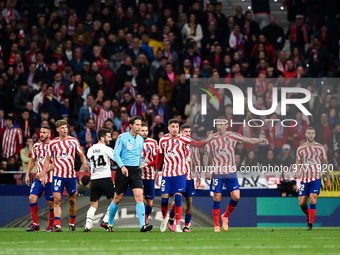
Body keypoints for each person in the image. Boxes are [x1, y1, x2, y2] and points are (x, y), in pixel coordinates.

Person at [203, 117, 269, 232]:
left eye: (221, 124)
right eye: (217, 124)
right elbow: (206, 154)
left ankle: (225, 216)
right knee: (217, 197)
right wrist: (206, 170)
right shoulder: (212, 138)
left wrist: (260, 140)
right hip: (217, 172)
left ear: (226, 125)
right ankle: (216, 225)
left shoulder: (232, 136)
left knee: (236, 197)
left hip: (231, 172)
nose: (219, 126)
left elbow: (248, 140)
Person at [156, 119, 213, 233]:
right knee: (165, 200)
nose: (175, 129)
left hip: (183, 175)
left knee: (183, 200)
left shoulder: (187, 141)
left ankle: (181, 226)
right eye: (173, 126)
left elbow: (197, 152)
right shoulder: (163, 140)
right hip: (167, 174)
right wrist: (157, 171)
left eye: (177, 126)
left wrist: (198, 175)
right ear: (169, 128)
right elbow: (160, 156)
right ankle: (167, 218)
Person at [41, 120, 89, 232]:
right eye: (62, 128)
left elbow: (81, 154)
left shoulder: (73, 140)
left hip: (71, 175)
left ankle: (72, 223)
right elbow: (47, 159)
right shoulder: (53, 143)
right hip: (57, 175)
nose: (64, 129)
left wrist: (85, 164)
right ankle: (58, 225)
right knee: (57, 200)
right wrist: (44, 175)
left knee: (72, 200)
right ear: (57, 129)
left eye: (65, 127)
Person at [108, 116, 153, 232]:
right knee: (117, 198)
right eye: (137, 125)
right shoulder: (122, 137)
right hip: (123, 170)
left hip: (135, 171)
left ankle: (143, 225)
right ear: (131, 126)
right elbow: (116, 154)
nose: (139, 127)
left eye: (140, 125)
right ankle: (109, 224)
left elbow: (139, 156)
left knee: (139, 198)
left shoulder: (140, 139)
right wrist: (122, 166)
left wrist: (138, 168)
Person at [295, 127, 331, 230]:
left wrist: (327, 178)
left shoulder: (321, 148)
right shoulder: (300, 148)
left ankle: (310, 224)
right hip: (304, 178)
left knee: (312, 198)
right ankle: (309, 216)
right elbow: (298, 162)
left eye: (313, 133)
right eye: (309, 133)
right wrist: (296, 171)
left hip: (316, 177)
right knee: (302, 202)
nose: (311, 135)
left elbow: (325, 163)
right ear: (306, 135)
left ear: (315, 135)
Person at [168, 124, 201, 232]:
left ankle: (186, 226)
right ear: (180, 132)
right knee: (177, 200)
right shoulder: (175, 143)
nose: (187, 134)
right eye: (185, 131)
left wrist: (199, 175)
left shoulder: (192, 144)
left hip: (189, 177)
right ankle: (171, 217)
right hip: (178, 175)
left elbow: (196, 160)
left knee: (189, 202)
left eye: (189, 132)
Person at [84, 128, 115, 232]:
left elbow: (91, 159)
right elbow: (116, 158)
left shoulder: (90, 149)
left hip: (94, 179)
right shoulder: (107, 148)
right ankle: (106, 220)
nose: (110, 139)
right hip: (105, 177)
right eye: (108, 137)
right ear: (102, 138)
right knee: (115, 200)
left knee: (94, 204)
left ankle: (87, 226)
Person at [25, 126, 54, 232]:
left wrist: (43, 173)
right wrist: (27, 174)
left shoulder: (53, 145)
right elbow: (32, 161)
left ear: (49, 134)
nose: (41, 134)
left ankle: (50, 225)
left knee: (51, 202)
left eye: (44, 132)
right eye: (41, 132)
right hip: (38, 178)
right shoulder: (36, 146)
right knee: (32, 197)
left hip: (50, 178)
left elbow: (55, 164)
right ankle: (35, 224)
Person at [139, 122, 159, 225]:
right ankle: (143, 222)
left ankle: (145, 219)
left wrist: (146, 165)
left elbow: (157, 160)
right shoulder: (134, 142)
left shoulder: (153, 143)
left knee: (149, 202)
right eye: (142, 130)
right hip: (137, 176)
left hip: (149, 175)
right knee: (140, 199)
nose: (145, 132)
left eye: (146, 130)